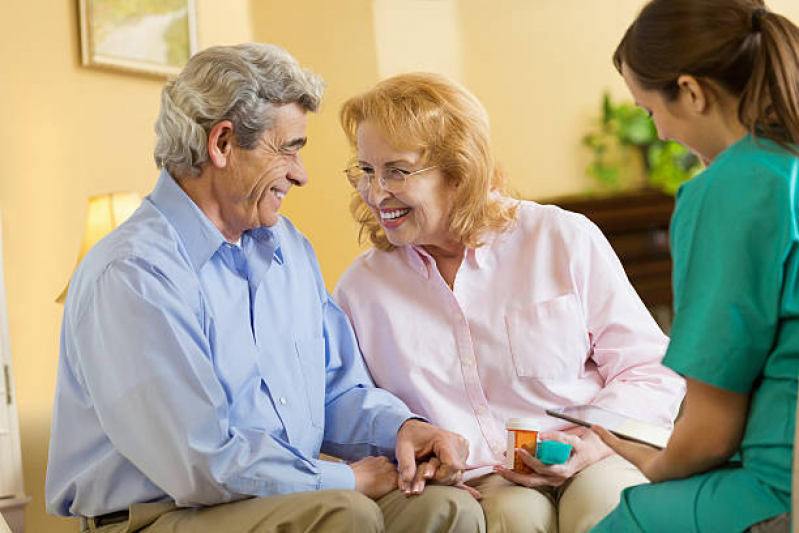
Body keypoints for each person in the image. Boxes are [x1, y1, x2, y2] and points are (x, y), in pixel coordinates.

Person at [45, 43, 484, 533]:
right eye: (289, 148)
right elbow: (200, 461)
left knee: (447, 509)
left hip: (269, 501)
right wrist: (343, 480)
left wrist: (406, 431)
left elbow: (337, 393)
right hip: (158, 516)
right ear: (223, 144)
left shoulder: (289, 249)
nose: (301, 173)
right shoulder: (133, 275)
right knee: (346, 512)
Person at [333, 72, 686, 533]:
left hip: (594, 454)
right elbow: (354, 409)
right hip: (482, 482)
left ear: (458, 172)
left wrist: (594, 444)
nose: (375, 193)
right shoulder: (362, 287)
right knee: (512, 520)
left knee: (607, 510)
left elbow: (647, 366)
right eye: (366, 170)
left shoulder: (560, 238)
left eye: (396, 171)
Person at [588, 1, 799, 532]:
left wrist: (656, 462)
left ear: (692, 92)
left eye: (650, 111)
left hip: (778, 487)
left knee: (628, 515)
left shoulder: (733, 188)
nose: (658, 133)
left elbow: (711, 431)